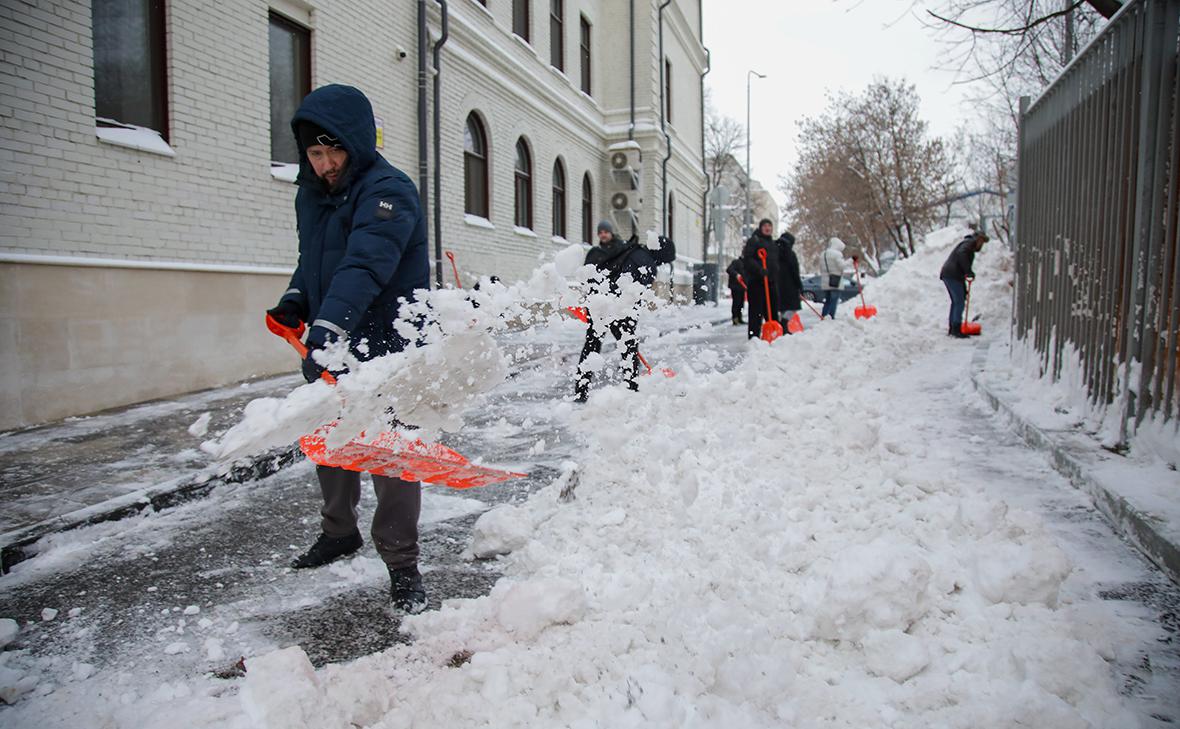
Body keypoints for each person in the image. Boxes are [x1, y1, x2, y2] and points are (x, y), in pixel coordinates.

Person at [264, 84, 431, 614]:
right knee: (329, 438)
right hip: (336, 338)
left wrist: (328, 327)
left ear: (356, 142)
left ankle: (402, 565)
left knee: (390, 451)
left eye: (333, 151)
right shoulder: (313, 192)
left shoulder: (389, 191)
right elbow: (314, 259)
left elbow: (365, 265)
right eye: (314, 153)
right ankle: (339, 532)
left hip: (390, 342)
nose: (325, 164)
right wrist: (297, 300)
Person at [573, 221, 669, 402]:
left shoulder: (623, 249)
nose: (603, 234)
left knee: (627, 346)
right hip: (601, 307)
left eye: (605, 231)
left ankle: (631, 386)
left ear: (611, 233)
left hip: (619, 306)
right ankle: (581, 390)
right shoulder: (595, 253)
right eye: (600, 232)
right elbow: (587, 278)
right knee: (593, 347)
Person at [940, 230, 988, 338]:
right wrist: (968, 271)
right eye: (981, 241)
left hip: (950, 274)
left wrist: (964, 287)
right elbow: (962, 254)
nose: (981, 244)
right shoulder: (969, 244)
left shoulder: (966, 244)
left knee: (956, 302)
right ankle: (956, 329)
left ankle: (953, 328)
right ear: (977, 239)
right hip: (952, 274)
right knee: (959, 302)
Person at [740, 218, 780, 339]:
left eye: (769, 226)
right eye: (765, 226)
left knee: (772, 310)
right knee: (756, 312)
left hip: (771, 282)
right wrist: (759, 269)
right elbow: (747, 259)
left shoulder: (773, 244)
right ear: (761, 228)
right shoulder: (754, 241)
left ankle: (774, 336)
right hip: (757, 283)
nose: (767, 228)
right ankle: (754, 337)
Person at [775, 231, 803, 328]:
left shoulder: (774, 252)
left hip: (777, 284)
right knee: (793, 306)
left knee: (782, 307)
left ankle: (783, 327)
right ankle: (784, 322)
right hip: (790, 285)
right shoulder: (790, 254)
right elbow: (795, 271)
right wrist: (799, 286)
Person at [819, 237, 848, 320]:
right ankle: (831, 318)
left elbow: (821, 268)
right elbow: (842, 266)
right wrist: (851, 261)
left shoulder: (823, 254)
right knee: (834, 300)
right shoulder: (837, 254)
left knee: (828, 300)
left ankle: (824, 316)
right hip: (835, 281)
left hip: (825, 282)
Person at [725, 258, 746, 325]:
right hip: (736, 286)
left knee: (741, 304)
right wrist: (736, 274)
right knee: (736, 303)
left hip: (742, 287)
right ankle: (735, 319)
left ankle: (739, 318)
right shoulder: (736, 262)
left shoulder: (746, 263)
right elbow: (729, 269)